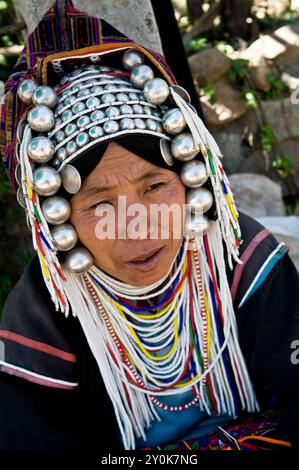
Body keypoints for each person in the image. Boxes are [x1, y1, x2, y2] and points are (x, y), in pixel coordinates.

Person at [0, 0, 299, 452]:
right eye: (99, 204)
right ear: (57, 218)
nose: (136, 228)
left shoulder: (242, 258)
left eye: (155, 185)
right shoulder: (44, 315)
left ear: (190, 177)